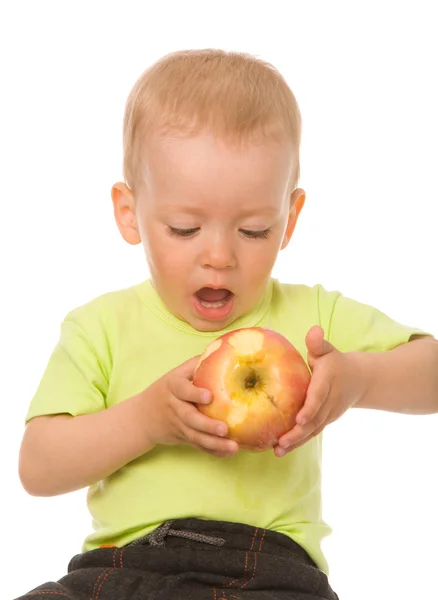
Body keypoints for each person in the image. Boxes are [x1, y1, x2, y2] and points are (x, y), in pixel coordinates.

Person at [16, 49, 437, 600]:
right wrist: (147, 421)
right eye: (186, 229)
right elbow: (38, 467)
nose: (218, 256)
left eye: (255, 231)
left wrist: (358, 379)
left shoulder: (314, 317)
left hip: (270, 572)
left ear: (290, 219)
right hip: (121, 569)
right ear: (129, 212)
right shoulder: (100, 326)